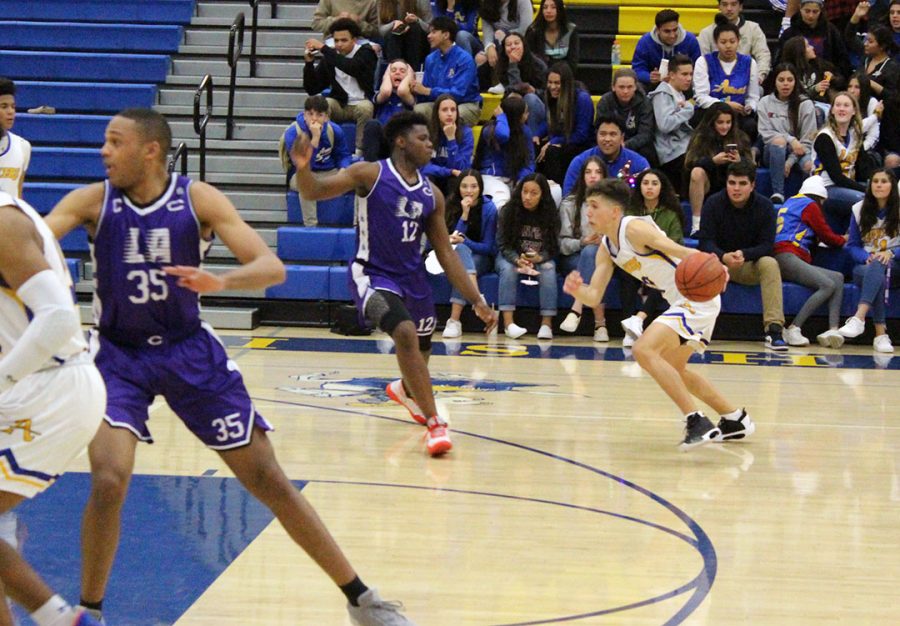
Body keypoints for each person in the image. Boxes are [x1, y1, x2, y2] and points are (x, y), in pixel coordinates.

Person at [45, 108, 415, 625]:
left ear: (149, 150)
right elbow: (31, 239)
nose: (103, 151)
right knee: (109, 479)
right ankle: (91, 611)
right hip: (118, 355)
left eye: (114, 141)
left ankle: (361, 598)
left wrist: (220, 280)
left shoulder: (196, 199)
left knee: (267, 478)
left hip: (188, 350)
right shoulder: (93, 201)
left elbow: (271, 266)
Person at [292, 111, 497, 451]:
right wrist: (303, 167)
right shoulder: (368, 174)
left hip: (413, 279)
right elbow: (313, 191)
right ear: (401, 142)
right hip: (371, 273)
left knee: (422, 347)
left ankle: (405, 389)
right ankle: (436, 423)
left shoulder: (431, 194)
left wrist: (476, 298)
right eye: (423, 139)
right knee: (403, 332)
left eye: (431, 140)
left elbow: (446, 252)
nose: (431, 144)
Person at [563, 178, 755, 450]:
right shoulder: (607, 248)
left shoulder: (634, 228)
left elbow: (678, 249)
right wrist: (576, 290)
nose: (588, 212)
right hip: (681, 301)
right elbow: (594, 295)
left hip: (696, 297)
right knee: (674, 369)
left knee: (643, 350)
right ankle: (735, 419)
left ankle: (696, 421)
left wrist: (713, 263)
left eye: (594, 206)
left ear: (615, 211)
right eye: (587, 206)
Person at [0, 191, 105, 626]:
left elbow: (58, 318)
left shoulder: (3, 220)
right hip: (30, 384)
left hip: (50, 387)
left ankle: (63, 620)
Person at [698, 161, 790, 351]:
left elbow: (767, 245)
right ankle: (692, 328)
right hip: (717, 265)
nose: (736, 188)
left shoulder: (764, 207)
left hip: (748, 265)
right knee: (692, 263)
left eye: (742, 183)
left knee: (770, 263)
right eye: (732, 183)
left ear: (752, 185)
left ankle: (774, 331)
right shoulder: (713, 203)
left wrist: (744, 254)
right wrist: (724, 257)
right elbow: (705, 242)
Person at [773, 175, 848, 347]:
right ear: (820, 197)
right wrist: (844, 239)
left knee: (837, 278)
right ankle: (793, 328)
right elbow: (827, 236)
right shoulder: (810, 204)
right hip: (788, 254)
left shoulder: (792, 201)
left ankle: (833, 330)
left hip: (785, 255)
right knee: (827, 285)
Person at [619, 169, 686, 347]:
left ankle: (639, 320)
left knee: (665, 277)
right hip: (636, 259)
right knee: (626, 274)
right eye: (645, 183)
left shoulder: (671, 213)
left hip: (661, 261)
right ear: (639, 186)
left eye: (654, 183)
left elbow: (676, 243)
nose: (649, 187)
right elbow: (624, 238)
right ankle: (628, 328)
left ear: (661, 187)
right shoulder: (631, 211)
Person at [837, 167, 900, 351]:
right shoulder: (858, 209)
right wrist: (866, 257)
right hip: (865, 266)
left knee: (879, 264)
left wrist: (892, 253)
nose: (879, 185)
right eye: (875, 181)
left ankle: (860, 318)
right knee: (876, 267)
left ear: (892, 186)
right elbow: (853, 245)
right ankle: (880, 336)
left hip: (895, 266)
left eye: (884, 181)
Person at [496, 173, 560, 339]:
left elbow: (554, 247)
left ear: (542, 195)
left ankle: (546, 324)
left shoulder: (551, 214)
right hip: (511, 255)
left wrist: (540, 258)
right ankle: (508, 324)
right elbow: (503, 245)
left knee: (549, 268)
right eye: (525, 191)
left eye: (534, 193)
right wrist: (517, 259)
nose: (527, 197)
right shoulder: (508, 211)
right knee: (509, 269)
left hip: (538, 257)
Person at [303, 18, 378, 151]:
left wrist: (324, 48)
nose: (339, 44)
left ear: (354, 40)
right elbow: (312, 88)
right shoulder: (330, 57)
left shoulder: (366, 52)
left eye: (344, 40)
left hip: (361, 102)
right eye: (336, 40)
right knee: (325, 104)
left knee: (366, 108)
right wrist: (309, 64)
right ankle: (325, 147)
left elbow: (351, 67)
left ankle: (359, 151)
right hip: (340, 104)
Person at [441, 170, 499, 338]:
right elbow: (448, 238)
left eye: (474, 186)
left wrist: (465, 242)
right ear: (458, 188)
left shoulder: (489, 209)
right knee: (461, 252)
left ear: (480, 188)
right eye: (464, 186)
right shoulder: (451, 204)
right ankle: (478, 299)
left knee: (463, 254)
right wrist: (464, 214)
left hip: (482, 257)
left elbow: (488, 247)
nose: (469, 191)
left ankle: (454, 319)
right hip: (453, 255)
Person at [279, 95, 352, 226]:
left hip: (329, 171)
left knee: (357, 179)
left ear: (326, 117)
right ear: (304, 114)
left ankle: (356, 224)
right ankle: (311, 227)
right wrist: (315, 139)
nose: (314, 118)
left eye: (319, 115)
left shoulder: (334, 130)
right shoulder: (293, 133)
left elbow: (343, 155)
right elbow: (303, 165)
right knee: (306, 185)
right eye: (310, 114)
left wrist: (343, 169)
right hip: (301, 174)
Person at [558, 156, 609, 341]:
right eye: (588, 172)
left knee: (594, 256)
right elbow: (561, 244)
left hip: (605, 256)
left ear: (604, 176)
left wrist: (605, 239)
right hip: (574, 257)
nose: (593, 176)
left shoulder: (613, 205)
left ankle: (576, 309)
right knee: (589, 255)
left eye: (597, 172)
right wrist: (583, 242)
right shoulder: (569, 203)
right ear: (582, 176)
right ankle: (600, 324)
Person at [684, 102, 752, 234]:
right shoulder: (700, 137)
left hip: (732, 184)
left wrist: (739, 161)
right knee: (697, 172)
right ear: (712, 122)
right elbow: (689, 164)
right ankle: (696, 225)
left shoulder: (741, 137)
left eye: (728, 122)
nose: (725, 126)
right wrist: (712, 161)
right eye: (720, 122)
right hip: (707, 184)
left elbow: (751, 167)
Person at [757, 63, 818, 203]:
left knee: (809, 165)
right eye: (781, 80)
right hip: (773, 151)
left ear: (796, 82)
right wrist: (790, 139)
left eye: (790, 80)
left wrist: (790, 162)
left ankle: (805, 200)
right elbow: (765, 133)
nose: (785, 84)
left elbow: (807, 142)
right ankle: (778, 193)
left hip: (799, 152)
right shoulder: (764, 102)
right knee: (779, 142)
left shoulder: (805, 104)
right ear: (774, 81)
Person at [693, 16, 761, 140]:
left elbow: (753, 96)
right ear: (716, 42)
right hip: (710, 113)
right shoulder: (704, 62)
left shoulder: (750, 63)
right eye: (723, 42)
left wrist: (750, 107)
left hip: (737, 114)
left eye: (732, 41)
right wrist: (725, 105)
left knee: (751, 125)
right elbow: (701, 97)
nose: (728, 46)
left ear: (738, 40)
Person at [413, 17, 483, 127]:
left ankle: (451, 143)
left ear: (446, 35)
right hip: (439, 105)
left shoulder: (465, 59)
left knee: (452, 114)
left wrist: (428, 91)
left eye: (434, 32)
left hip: (465, 104)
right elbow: (426, 91)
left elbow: (459, 94)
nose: (429, 36)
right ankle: (429, 143)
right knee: (419, 110)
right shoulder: (430, 59)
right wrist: (415, 89)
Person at [811, 91, 867, 223]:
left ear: (854, 111)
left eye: (846, 105)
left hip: (847, 185)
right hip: (825, 189)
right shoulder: (825, 137)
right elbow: (836, 178)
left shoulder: (855, 135)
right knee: (865, 201)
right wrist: (868, 190)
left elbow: (863, 170)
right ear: (832, 111)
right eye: (838, 105)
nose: (841, 108)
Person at [536, 62, 595, 185]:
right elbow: (549, 122)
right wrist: (537, 135)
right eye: (550, 82)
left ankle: (557, 189)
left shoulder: (582, 99)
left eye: (557, 83)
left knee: (552, 151)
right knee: (534, 145)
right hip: (562, 139)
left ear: (566, 84)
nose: (552, 87)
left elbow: (582, 134)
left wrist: (556, 141)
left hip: (579, 145)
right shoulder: (551, 97)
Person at [562, 116, 650, 197]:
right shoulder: (580, 162)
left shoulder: (639, 163)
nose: (607, 139)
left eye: (613, 134)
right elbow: (568, 197)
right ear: (596, 136)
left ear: (622, 137)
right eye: (603, 134)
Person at [474, 93, 534, 209]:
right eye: (525, 112)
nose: (528, 115)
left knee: (554, 190)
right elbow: (503, 135)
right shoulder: (490, 130)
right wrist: (501, 116)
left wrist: (522, 180)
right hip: (491, 177)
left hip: (513, 179)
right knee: (502, 201)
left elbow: (529, 161)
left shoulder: (525, 131)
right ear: (516, 115)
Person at [648, 54, 695, 197]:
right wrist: (688, 110)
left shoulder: (680, 94)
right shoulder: (662, 94)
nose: (689, 78)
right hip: (670, 152)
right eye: (684, 74)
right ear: (672, 75)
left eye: (691, 74)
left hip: (683, 147)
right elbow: (665, 125)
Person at [486, 32, 548, 138]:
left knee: (530, 98)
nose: (513, 47)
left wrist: (534, 91)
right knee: (513, 98)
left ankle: (532, 139)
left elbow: (549, 93)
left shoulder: (538, 64)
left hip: (539, 105)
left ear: (524, 45)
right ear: (504, 49)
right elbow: (514, 87)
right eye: (509, 45)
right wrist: (513, 64)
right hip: (517, 103)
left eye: (516, 43)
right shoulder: (503, 65)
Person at [698, 0, 772, 84]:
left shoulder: (753, 28)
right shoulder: (706, 33)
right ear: (719, 7)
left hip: (747, 81)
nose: (729, 9)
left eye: (733, 4)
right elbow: (703, 62)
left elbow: (763, 55)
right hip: (716, 83)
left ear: (740, 7)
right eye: (725, 4)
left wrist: (758, 77)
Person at [595, 68, 657, 166]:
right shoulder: (605, 102)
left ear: (635, 87)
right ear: (613, 87)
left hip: (636, 143)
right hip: (611, 138)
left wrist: (625, 145)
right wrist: (614, 141)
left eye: (629, 87)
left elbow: (646, 133)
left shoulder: (644, 102)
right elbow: (599, 128)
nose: (625, 91)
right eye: (621, 87)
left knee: (649, 152)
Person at [631, 9, 702, 92]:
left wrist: (684, 76)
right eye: (667, 31)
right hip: (654, 84)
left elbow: (697, 68)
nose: (672, 35)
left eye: (675, 30)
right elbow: (637, 69)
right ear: (658, 30)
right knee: (638, 86)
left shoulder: (690, 40)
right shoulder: (645, 42)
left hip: (682, 84)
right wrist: (649, 77)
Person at [778, 0, 851, 79]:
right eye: (807, 11)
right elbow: (782, 60)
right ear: (800, 8)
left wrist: (835, 76)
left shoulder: (831, 31)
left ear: (821, 10)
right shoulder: (789, 33)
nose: (811, 16)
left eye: (815, 12)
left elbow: (842, 59)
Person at [362, 59, 416, 161]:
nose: (397, 72)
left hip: (402, 142)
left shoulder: (412, 96)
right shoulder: (382, 95)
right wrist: (386, 75)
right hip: (383, 141)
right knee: (372, 124)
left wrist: (410, 76)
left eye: (402, 71)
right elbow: (386, 91)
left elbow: (402, 91)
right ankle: (371, 169)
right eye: (393, 70)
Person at [422, 94, 474, 193]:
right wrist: (447, 171)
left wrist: (451, 139)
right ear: (437, 113)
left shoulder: (466, 133)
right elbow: (423, 166)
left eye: (453, 110)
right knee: (427, 177)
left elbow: (461, 168)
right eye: (445, 110)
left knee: (455, 181)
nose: (449, 114)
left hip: (453, 178)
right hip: (435, 176)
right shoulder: (427, 132)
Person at [479, 0, 535, 72]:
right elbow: (487, 31)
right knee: (480, 59)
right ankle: (488, 82)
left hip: (519, 42)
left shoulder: (523, 1)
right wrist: (489, 46)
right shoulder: (486, 4)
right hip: (496, 42)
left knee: (500, 35)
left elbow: (526, 29)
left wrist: (505, 35)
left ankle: (506, 79)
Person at [524, 0, 580, 71]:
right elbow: (529, 60)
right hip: (539, 76)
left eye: (553, 7)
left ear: (560, 9)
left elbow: (573, 62)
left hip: (564, 75)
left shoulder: (571, 30)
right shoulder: (533, 31)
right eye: (545, 7)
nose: (548, 11)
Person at [378, 0, 433, 71]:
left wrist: (417, 20)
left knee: (414, 28)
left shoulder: (421, 1)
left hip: (418, 42)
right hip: (393, 42)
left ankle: (412, 72)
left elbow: (430, 29)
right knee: (392, 35)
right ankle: (395, 72)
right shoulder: (382, 2)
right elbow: (381, 30)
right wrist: (393, 24)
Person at [0, 78, 31, 198]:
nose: (10, 112)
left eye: (13, 107)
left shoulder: (22, 146)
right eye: (4, 106)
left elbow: (18, 196)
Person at [311, 0, 380, 40]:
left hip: (361, 51)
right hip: (333, 49)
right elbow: (316, 24)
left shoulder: (372, 2)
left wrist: (359, 23)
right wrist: (337, 20)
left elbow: (376, 32)